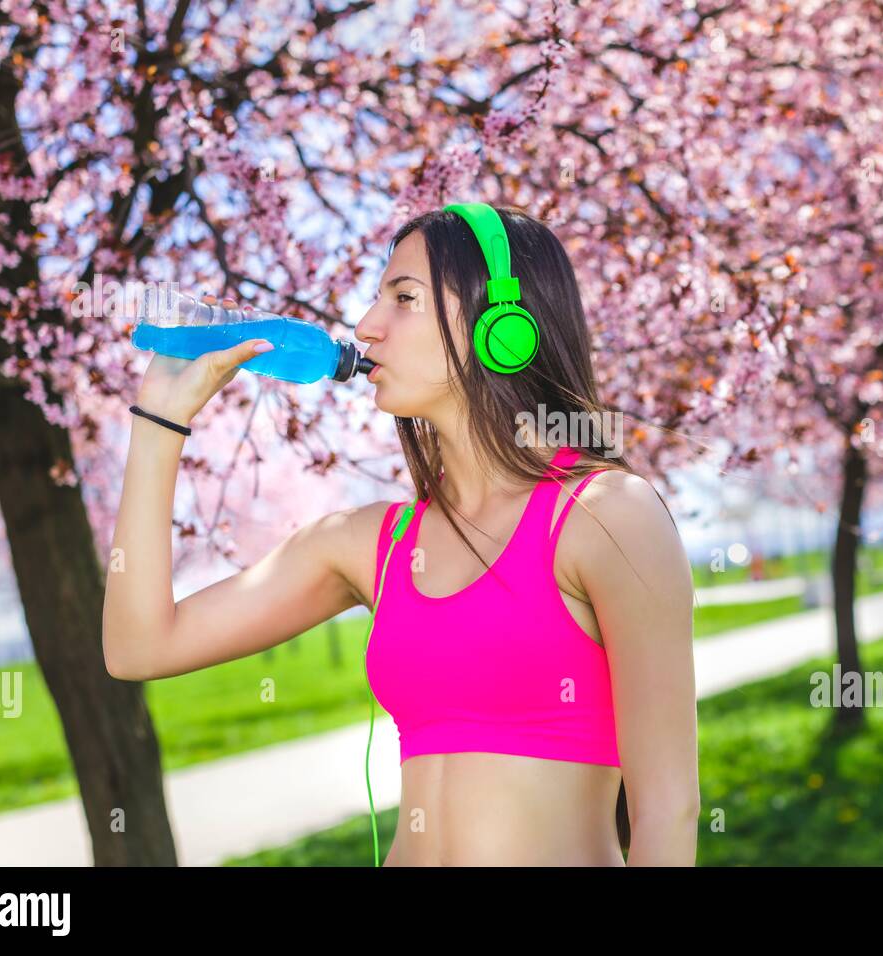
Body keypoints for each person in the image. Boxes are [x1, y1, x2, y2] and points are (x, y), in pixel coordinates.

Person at [103, 205, 699, 866]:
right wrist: (157, 422)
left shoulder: (607, 516)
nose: (365, 327)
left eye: (404, 298)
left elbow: (668, 810)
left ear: (503, 327)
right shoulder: (369, 544)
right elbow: (139, 649)